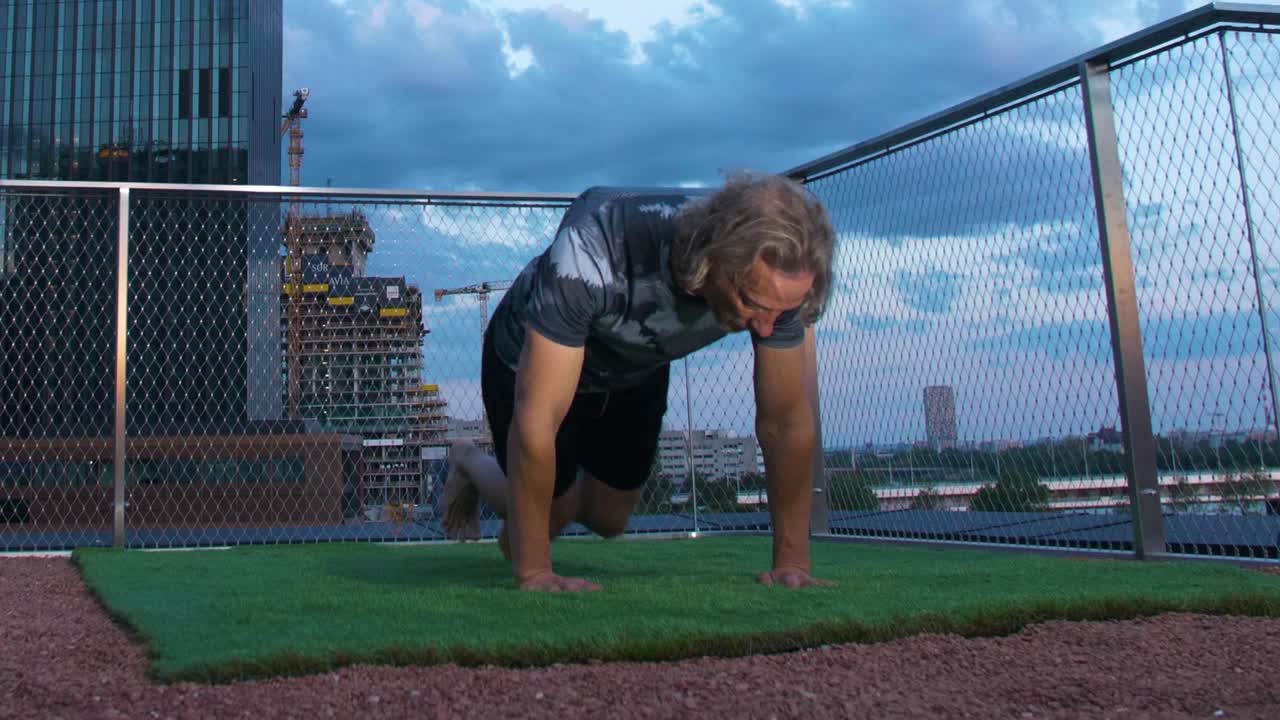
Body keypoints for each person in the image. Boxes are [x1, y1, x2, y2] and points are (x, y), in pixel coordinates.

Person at [442, 171, 836, 592]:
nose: (767, 326)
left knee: (610, 519)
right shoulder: (595, 248)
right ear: (715, 260)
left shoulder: (781, 286)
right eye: (751, 304)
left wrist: (791, 563)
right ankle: (469, 462)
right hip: (527, 359)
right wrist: (535, 570)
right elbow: (538, 419)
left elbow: (785, 424)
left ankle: (528, 519)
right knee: (553, 513)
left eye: (781, 311)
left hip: (635, 361)